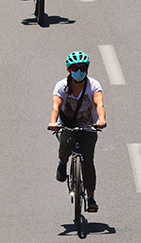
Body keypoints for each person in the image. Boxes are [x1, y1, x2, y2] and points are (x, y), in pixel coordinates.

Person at [49, 51, 107, 212]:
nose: (79, 71)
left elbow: (99, 105)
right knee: (65, 144)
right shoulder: (61, 86)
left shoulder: (93, 85)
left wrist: (100, 120)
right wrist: (53, 122)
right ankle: (62, 163)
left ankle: (91, 198)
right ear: (69, 70)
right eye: (75, 68)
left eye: (83, 68)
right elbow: (56, 106)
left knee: (88, 161)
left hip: (88, 127)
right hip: (66, 125)